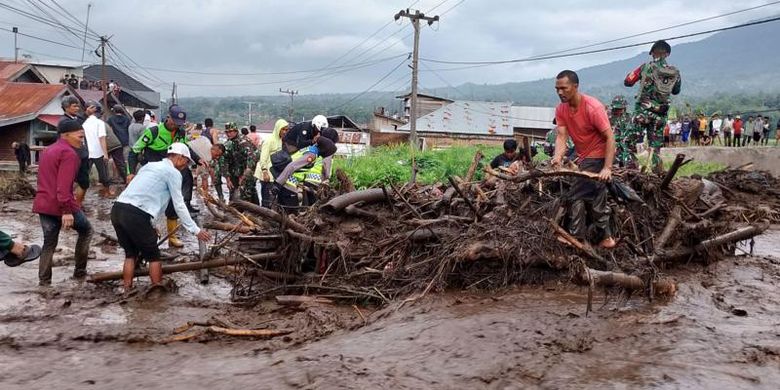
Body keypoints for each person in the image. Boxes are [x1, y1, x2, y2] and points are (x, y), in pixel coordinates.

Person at [112, 143, 211, 291]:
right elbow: (179, 204)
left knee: (130, 254)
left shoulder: (149, 166)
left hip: (118, 209)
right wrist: (195, 230)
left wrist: (151, 224)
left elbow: (148, 197)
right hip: (135, 213)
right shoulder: (173, 173)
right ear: (179, 157)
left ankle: (127, 289)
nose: (186, 166)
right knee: (154, 256)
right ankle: (156, 290)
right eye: (186, 161)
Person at [552, 70, 616, 249]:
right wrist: (557, 157)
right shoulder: (561, 109)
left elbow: (610, 137)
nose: (560, 92)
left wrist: (607, 168)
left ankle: (577, 237)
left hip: (598, 156)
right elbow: (562, 137)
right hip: (583, 158)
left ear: (575, 86)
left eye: (563, 88)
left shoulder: (592, 107)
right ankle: (593, 238)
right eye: (557, 89)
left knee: (573, 195)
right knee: (594, 197)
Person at [128, 105, 202, 248]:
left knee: (174, 202)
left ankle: (172, 236)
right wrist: (130, 172)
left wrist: (198, 159)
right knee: (150, 203)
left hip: (172, 172)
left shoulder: (180, 133)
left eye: (179, 124)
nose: (176, 126)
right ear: (168, 117)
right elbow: (134, 151)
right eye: (174, 122)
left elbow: (185, 148)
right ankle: (146, 235)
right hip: (153, 173)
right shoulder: (153, 131)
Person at [33, 119, 93, 286]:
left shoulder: (48, 150)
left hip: (43, 204)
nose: (82, 140)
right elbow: (63, 186)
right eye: (80, 136)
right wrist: (66, 211)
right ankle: (80, 272)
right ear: (66, 135)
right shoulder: (69, 154)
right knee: (87, 231)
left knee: (49, 243)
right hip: (62, 204)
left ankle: (44, 282)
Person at [624, 40, 681, 173]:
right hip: (660, 114)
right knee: (656, 147)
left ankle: (631, 171)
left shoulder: (645, 67)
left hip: (642, 113)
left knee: (628, 142)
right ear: (667, 54)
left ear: (652, 53)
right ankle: (657, 174)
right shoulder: (674, 72)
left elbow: (628, 81)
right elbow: (676, 91)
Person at [274, 133, 339, 208]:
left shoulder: (311, 150)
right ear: (324, 150)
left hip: (289, 182)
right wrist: (278, 184)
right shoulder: (311, 155)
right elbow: (292, 166)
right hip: (288, 183)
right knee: (291, 211)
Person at [59, 95, 90, 206]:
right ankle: (76, 205)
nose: (77, 108)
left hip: (80, 153)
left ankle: (77, 204)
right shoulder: (65, 122)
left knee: (82, 182)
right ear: (66, 107)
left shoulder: (74, 119)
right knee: (79, 182)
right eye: (74, 106)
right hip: (74, 155)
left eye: (78, 106)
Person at [82, 101, 115, 198]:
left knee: (84, 174)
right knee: (103, 173)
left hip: (87, 151)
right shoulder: (100, 123)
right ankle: (107, 192)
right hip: (98, 152)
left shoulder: (84, 123)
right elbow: (102, 139)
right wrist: (105, 154)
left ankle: (80, 194)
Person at [254, 119, 289, 208]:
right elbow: (263, 157)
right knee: (266, 198)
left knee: (272, 198)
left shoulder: (281, 141)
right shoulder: (269, 140)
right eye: (283, 129)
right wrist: (264, 171)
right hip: (266, 173)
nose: (285, 132)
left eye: (286, 129)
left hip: (274, 173)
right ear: (278, 129)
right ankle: (264, 216)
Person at [221, 123, 260, 203]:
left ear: (236, 131)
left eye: (231, 132)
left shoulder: (243, 142)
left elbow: (252, 159)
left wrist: (244, 176)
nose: (229, 134)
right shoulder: (229, 143)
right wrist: (227, 178)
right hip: (236, 171)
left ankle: (252, 211)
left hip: (248, 171)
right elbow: (225, 161)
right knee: (234, 191)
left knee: (247, 192)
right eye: (227, 132)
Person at [608, 95, 636, 168]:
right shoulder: (607, 117)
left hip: (626, 148)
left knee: (632, 167)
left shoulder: (629, 118)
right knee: (613, 167)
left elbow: (633, 134)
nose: (619, 110)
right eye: (617, 108)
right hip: (612, 148)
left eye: (621, 108)